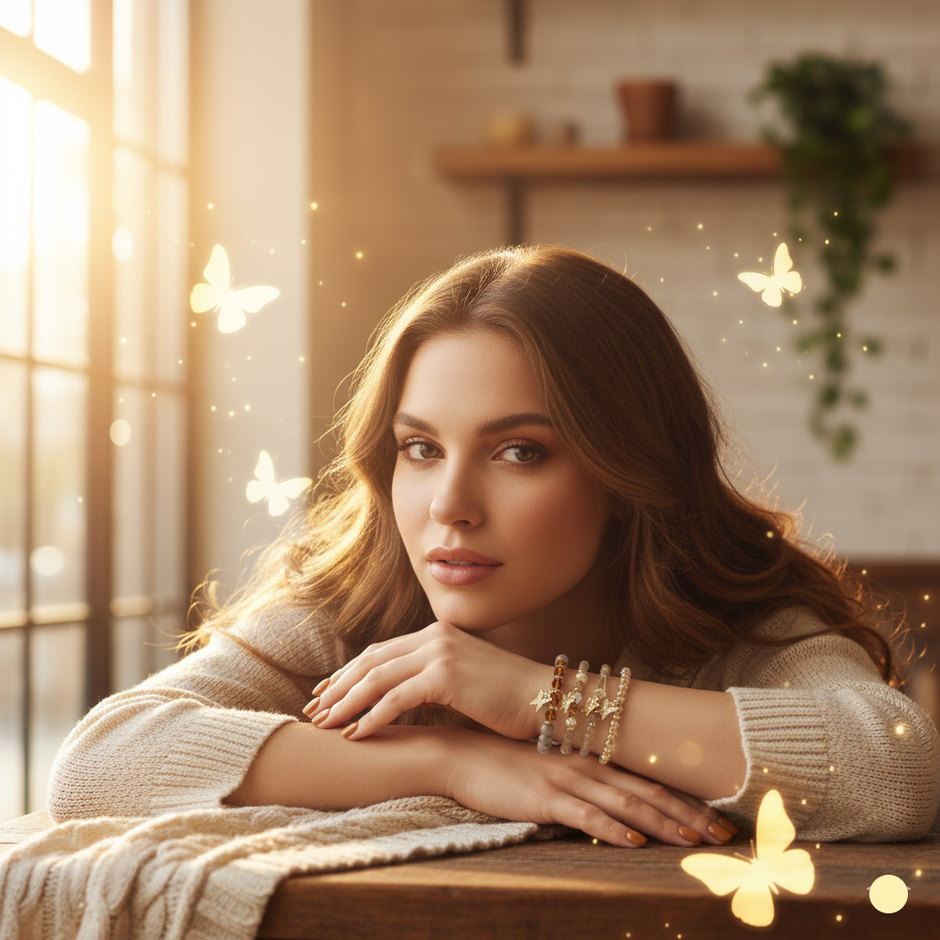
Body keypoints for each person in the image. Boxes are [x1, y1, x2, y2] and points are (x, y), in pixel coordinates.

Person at [48, 245, 939, 846]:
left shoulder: (735, 622)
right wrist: (458, 760)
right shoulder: (351, 604)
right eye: (421, 448)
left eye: (520, 452)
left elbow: (896, 762)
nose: (451, 506)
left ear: (625, 473)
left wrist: (539, 700)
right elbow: (99, 761)